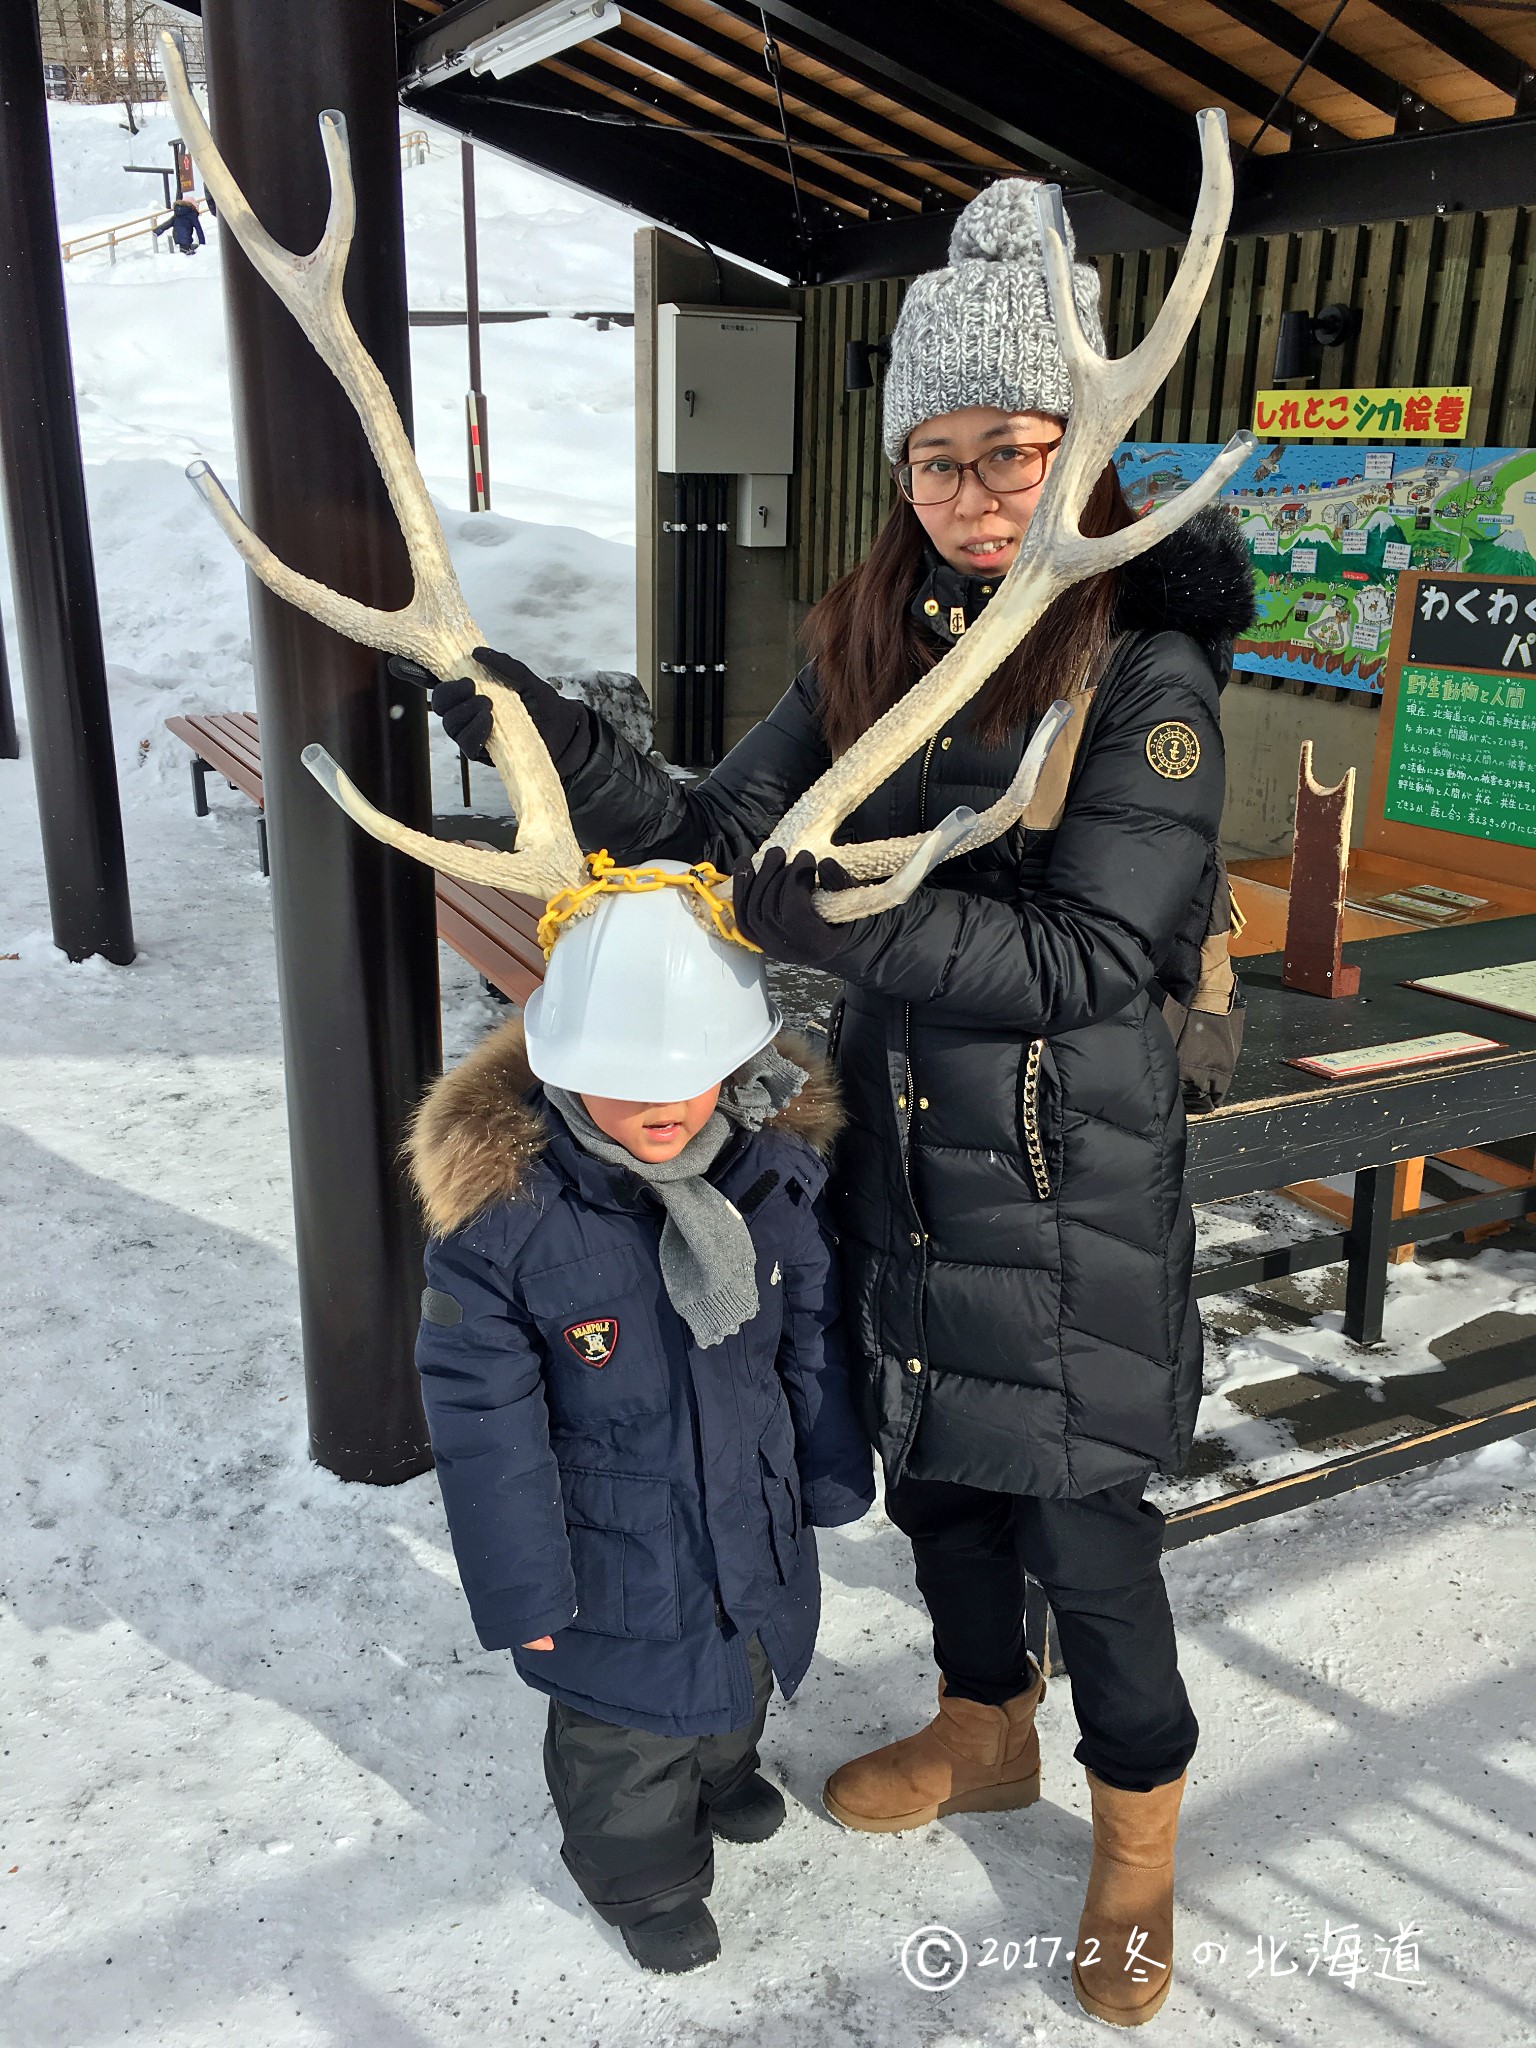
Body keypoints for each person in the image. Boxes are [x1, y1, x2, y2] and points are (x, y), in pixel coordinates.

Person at [420, 178, 1253, 2026]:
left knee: (1089, 1543)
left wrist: (861, 915)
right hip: (907, 1170)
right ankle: (984, 1728)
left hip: (1067, 1189)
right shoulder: (876, 636)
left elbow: (1092, 960)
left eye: (1007, 450)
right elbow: (727, 833)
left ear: (1083, 452)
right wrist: (559, 730)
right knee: (951, 1492)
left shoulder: (1147, 669)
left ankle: (1137, 1842)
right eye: (934, 459)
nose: (966, 491)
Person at [406, 862, 874, 1975]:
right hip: (609, 1552)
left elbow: (808, 1328)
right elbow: (487, 1431)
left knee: (742, 1665)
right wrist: (525, 1590)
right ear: (563, 1066)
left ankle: (721, 1770)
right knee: (625, 1732)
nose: (661, 1107)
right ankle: (640, 1872)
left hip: (749, 1511)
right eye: (624, 1081)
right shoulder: (509, 1224)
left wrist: (828, 1465)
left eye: (688, 1076)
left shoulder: (769, 1173)